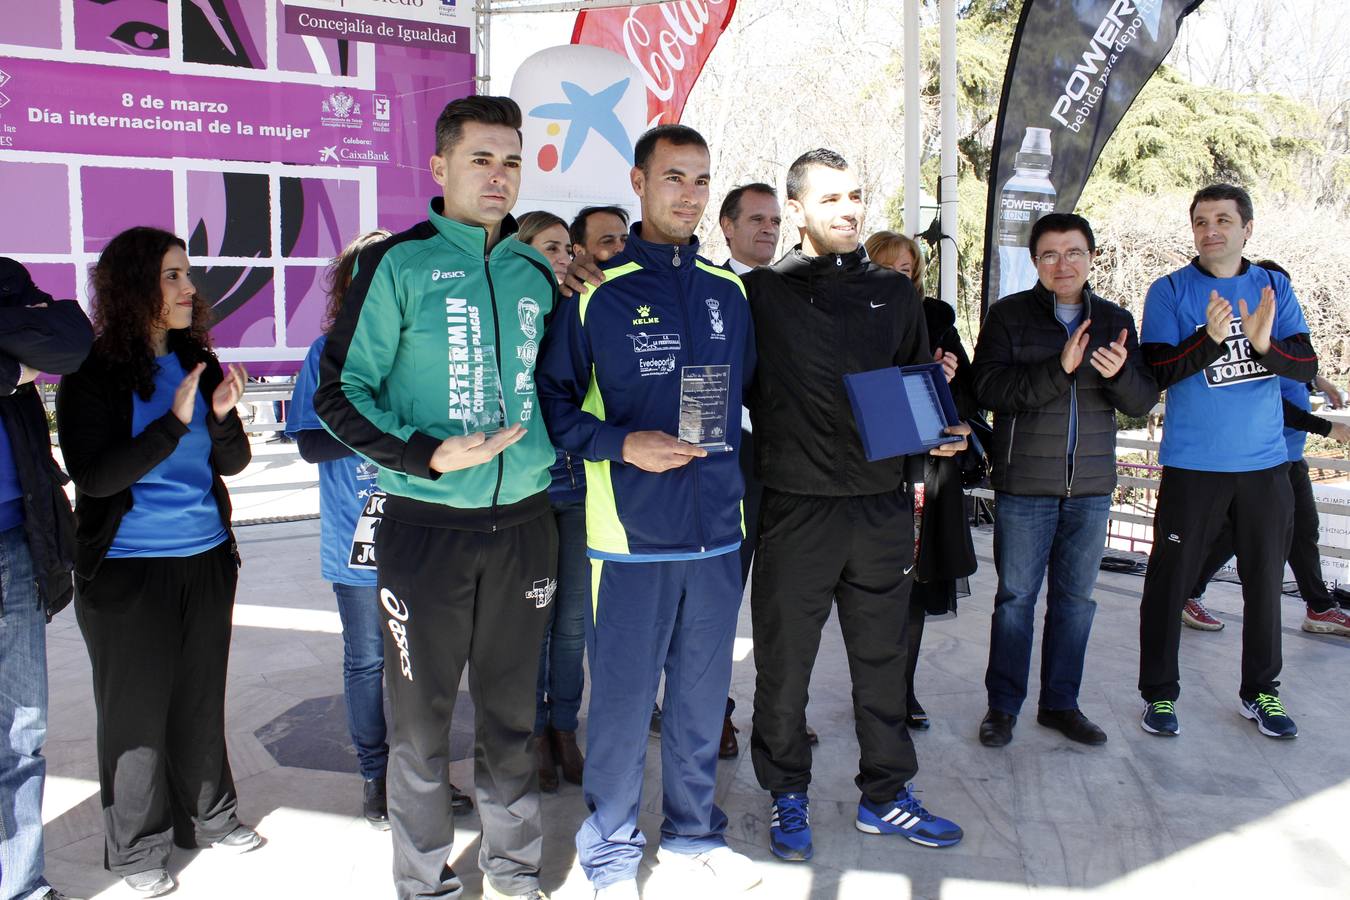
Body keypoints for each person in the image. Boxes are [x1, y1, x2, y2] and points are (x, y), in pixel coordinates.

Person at [314, 96, 558, 900]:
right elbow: (338, 394)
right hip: (426, 530)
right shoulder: (400, 264)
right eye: (482, 159)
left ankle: (515, 874)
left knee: (511, 719)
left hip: (525, 523)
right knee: (420, 729)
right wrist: (424, 455)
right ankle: (423, 883)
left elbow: (556, 388)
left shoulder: (533, 271)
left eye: (512, 161)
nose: (499, 176)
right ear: (441, 168)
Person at [537, 124, 760, 899]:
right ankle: (609, 847)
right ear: (639, 182)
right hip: (629, 540)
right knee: (626, 709)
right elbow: (555, 408)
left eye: (701, 180)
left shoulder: (730, 293)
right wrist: (622, 445)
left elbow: (744, 405)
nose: (689, 194)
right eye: (674, 177)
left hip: (716, 539)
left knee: (701, 702)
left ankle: (696, 836)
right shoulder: (595, 290)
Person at [743, 150, 968, 861]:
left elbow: (913, 390)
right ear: (798, 210)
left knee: (883, 661)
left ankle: (886, 796)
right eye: (831, 198)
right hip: (796, 508)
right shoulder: (759, 294)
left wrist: (942, 435)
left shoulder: (895, 295)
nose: (848, 210)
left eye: (856, 196)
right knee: (783, 667)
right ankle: (786, 793)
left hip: (879, 507)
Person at [55, 227, 259, 898]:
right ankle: (137, 848)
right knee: (134, 712)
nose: (188, 288)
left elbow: (229, 463)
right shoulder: (92, 374)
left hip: (204, 560)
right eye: (173, 275)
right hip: (126, 570)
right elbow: (96, 476)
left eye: (187, 274)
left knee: (199, 698)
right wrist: (170, 423)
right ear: (135, 284)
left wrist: (222, 419)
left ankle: (210, 815)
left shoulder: (196, 357)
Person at [284, 228, 475, 825]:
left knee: (431, 664)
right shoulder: (327, 355)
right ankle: (376, 777)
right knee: (369, 661)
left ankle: (426, 777)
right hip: (358, 539)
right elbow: (311, 444)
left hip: (430, 531)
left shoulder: (430, 348)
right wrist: (373, 418)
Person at [969, 213, 1157, 748]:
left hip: (1092, 488)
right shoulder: (1008, 316)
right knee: (1015, 600)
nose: (1062, 264)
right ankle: (1002, 707)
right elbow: (989, 389)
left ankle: (1060, 704)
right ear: (1035, 263)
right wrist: (1062, 366)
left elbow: (1141, 404)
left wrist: (1120, 373)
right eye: (1049, 255)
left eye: (1073, 252)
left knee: (1075, 602)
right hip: (1026, 485)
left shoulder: (1115, 319)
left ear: (1092, 257)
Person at [1137, 184, 1318, 740]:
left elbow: (1305, 365)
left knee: (1264, 581)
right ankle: (1160, 695)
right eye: (1199, 220)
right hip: (1194, 465)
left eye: (1222, 219)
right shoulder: (1169, 290)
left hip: (1265, 466)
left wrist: (1265, 347)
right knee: (1171, 583)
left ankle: (1260, 691)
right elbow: (1157, 370)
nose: (1210, 229)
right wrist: (1209, 341)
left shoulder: (1273, 286)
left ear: (1247, 229)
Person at [1180, 260, 1350, 637]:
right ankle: (1318, 606)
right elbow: (1275, 405)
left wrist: (1322, 382)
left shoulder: (1279, 337)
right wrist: (1327, 428)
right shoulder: (1247, 338)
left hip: (1286, 455)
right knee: (1278, 532)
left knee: (1291, 532)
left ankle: (1317, 607)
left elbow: (1295, 370)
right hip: (1267, 457)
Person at [0, 258, 93, 900]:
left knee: (22, 730)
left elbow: (70, 340)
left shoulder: (5, 276)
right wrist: (10, 366)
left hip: (15, 540)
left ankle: (20, 883)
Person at [864, 230, 979, 731]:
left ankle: (902, 692)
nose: (898, 277)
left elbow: (971, 397)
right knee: (870, 594)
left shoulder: (937, 319)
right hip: (866, 472)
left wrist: (946, 380)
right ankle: (869, 694)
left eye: (906, 269)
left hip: (925, 472)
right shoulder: (849, 316)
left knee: (912, 588)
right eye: (886, 267)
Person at [516, 210, 587, 792]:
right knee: (533, 622)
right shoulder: (512, 319)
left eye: (566, 247)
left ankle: (566, 728)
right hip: (531, 490)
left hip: (581, 487)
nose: (561, 257)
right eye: (549, 247)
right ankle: (535, 732)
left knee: (572, 625)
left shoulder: (578, 314)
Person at [715, 183, 786, 758]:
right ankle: (711, 710)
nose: (768, 229)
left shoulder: (796, 291)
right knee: (720, 599)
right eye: (756, 219)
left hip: (791, 469)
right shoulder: (708, 290)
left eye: (775, 221)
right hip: (727, 466)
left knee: (784, 603)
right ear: (727, 226)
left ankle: (779, 715)